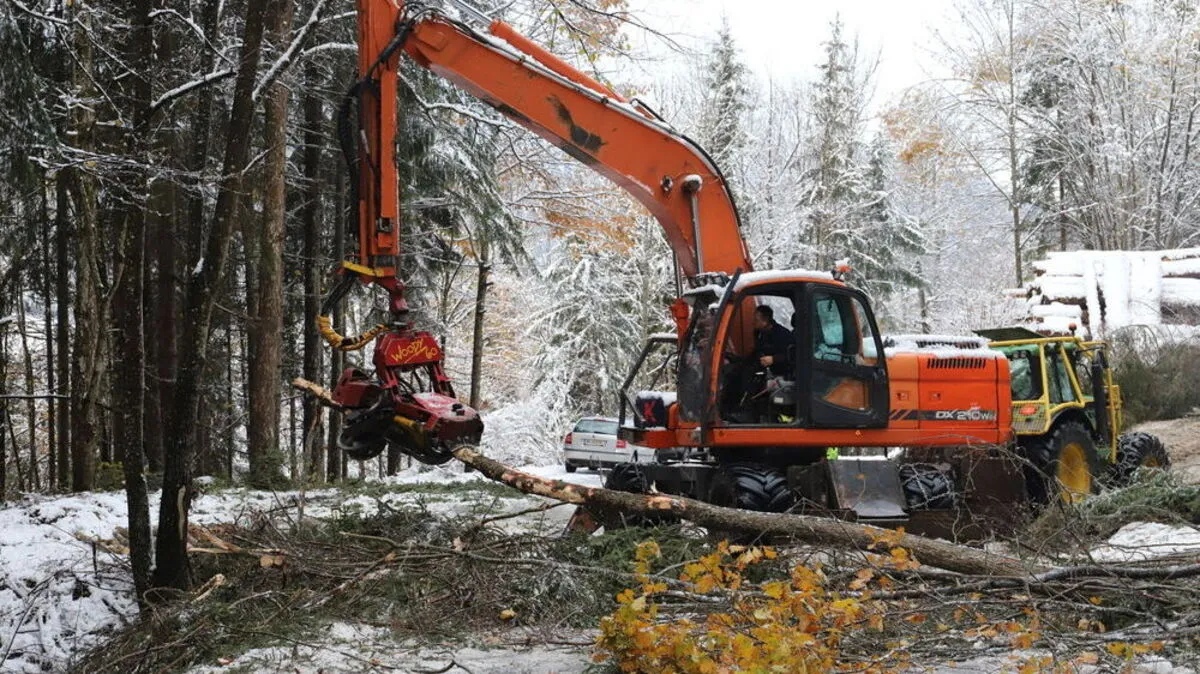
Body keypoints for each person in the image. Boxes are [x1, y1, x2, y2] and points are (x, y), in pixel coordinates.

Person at [752, 305, 793, 377]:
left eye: (756, 320)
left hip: (781, 374)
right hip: (763, 371)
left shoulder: (782, 334)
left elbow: (792, 356)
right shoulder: (759, 333)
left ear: (765, 321)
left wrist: (773, 359)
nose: (753, 322)